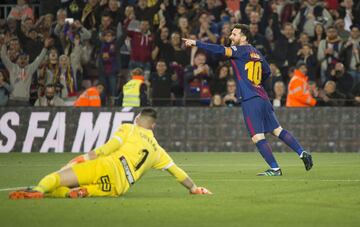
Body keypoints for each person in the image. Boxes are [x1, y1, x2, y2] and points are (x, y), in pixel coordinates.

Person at [183, 24, 313, 176]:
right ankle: (302, 153)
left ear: (243, 37)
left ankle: (275, 169)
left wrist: (196, 43)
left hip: (250, 98)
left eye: (234, 34)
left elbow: (220, 49)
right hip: (263, 97)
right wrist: (256, 83)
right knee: (277, 130)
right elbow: (267, 71)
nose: (231, 37)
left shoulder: (240, 50)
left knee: (257, 136)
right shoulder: (256, 52)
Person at [9, 108, 212, 199]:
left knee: (57, 177)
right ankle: (78, 192)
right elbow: (177, 173)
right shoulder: (158, 150)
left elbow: (105, 150)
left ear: (139, 119)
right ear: (154, 126)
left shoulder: (129, 128)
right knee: (75, 190)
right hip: (117, 187)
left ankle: (37, 189)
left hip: (105, 166)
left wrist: (80, 159)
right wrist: (194, 188)